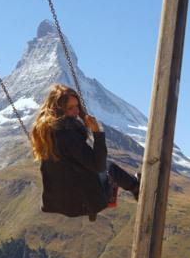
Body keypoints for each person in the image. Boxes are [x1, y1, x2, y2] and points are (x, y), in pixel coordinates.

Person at [31, 84, 140, 221]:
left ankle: (132, 187)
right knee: (109, 167)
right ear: (58, 110)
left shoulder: (45, 134)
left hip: (57, 203)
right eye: (70, 108)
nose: (76, 111)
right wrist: (97, 133)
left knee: (95, 169)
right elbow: (98, 166)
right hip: (81, 203)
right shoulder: (67, 135)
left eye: (77, 106)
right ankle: (136, 188)